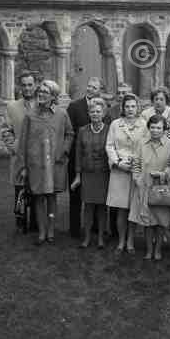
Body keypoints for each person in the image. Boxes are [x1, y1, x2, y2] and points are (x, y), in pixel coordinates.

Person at [15, 80, 74, 245]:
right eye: (39, 91)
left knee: (52, 197)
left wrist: (64, 150)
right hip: (36, 165)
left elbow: (70, 133)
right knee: (39, 198)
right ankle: (41, 232)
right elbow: (23, 143)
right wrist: (24, 166)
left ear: (53, 96)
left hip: (55, 164)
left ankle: (51, 230)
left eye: (45, 92)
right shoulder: (30, 116)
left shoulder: (61, 114)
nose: (40, 94)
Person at [128, 114, 170, 261]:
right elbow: (135, 163)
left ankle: (158, 250)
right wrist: (137, 178)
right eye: (153, 127)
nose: (155, 130)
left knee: (160, 221)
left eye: (159, 127)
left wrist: (163, 174)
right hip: (145, 187)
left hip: (162, 188)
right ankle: (149, 251)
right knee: (147, 221)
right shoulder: (141, 143)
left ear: (164, 129)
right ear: (149, 128)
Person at [106, 93, 147, 253]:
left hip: (136, 171)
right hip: (119, 171)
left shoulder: (144, 125)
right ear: (122, 108)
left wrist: (137, 164)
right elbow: (109, 146)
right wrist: (117, 162)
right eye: (127, 106)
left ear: (137, 108)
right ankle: (121, 241)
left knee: (133, 208)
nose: (130, 109)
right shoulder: (115, 124)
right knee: (121, 208)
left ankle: (130, 241)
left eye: (133, 106)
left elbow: (146, 146)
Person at [69, 98, 110, 249]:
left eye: (98, 111)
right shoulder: (82, 130)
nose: (95, 114)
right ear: (88, 113)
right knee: (88, 207)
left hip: (104, 174)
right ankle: (86, 237)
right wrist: (78, 175)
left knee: (101, 207)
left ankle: (100, 238)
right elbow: (78, 154)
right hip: (87, 174)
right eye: (92, 111)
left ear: (103, 113)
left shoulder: (109, 129)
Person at [67, 77, 103, 239]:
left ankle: (96, 227)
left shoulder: (103, 107)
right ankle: (74, 228)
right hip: (77, 157)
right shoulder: (74, 106)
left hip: (98, 162)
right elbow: (68, 131)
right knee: (76, 195)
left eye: (94, 87)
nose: (90, 89)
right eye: (89, 86)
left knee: (96, 195)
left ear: (99, 90)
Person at [4, 71, 37, 230]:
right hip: (19, 158)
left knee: (38, 191)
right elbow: (6, 131)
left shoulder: (42, 105)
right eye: (24, 85)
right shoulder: (12, 107)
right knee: (20, 191)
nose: (27, 88)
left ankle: (37, 224)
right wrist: (13, 147)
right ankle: (20, 222)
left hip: (38, 158)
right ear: (20, 87)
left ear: (35, 85)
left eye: (30, 84)